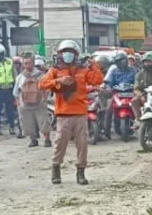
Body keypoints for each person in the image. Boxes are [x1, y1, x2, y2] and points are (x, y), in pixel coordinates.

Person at [39, 40, 103, 185]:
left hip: (80, 112)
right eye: (65, 52)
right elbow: (42, 84)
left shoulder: (83, 70)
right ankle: (56, 168)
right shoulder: (55, 70)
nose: (68, 55)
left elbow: (97, 80)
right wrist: (59, 81)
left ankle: (81, 172)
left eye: (71, 52)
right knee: (60, 143)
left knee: (82, 145)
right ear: (60, 54)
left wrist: (93, 65)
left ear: (76, 55)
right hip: (63, 113)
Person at [15, 56, 51, 148]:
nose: (27, 65)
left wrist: (44, 99)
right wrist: (19, 103)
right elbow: (16, 92)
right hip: (25, 105)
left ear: (33, 63)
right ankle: (33, 140)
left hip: (39, 103)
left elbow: (47, 89)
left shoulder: (41, 75)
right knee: (28, 123)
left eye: (29, 63)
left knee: (43, 122)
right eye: (25, 63)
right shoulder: (20, 77)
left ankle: (47, 139)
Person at [0, 43, 17, 136]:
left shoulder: (10, 62)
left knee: (10, 109)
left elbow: (15, 74)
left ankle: (12, 126)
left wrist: (16, 88)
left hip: (9, 88)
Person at [132, 52, 152, 123]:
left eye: (149, 62)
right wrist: (141, 96)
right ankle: (138, 119)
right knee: (134, 101)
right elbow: (136, 88)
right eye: (146, 62)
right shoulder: (139, 74)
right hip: (143, 94)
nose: (147, 64)